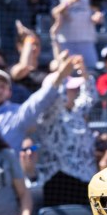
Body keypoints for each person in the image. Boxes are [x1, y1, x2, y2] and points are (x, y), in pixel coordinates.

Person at [36, 58, 100, 207]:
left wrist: (84, 73)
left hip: (84, 179)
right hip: (59, 181)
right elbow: (50, 101)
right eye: (69, 89)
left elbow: (89, 97)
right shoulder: (48, 116)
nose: (74, 91)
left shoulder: (76, 111)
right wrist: (59, 77)